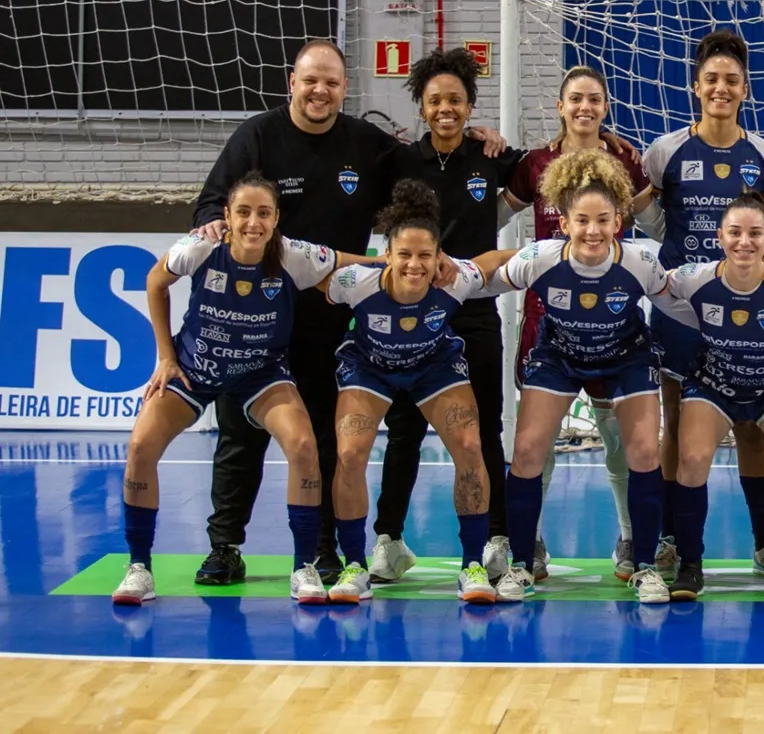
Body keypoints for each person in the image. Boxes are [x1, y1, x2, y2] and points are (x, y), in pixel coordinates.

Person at [190, 39, 503, 586]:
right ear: (292, 83)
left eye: (331, 83)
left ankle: (324, 548)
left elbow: (429, 161)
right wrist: (212, 228)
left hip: (330, 315)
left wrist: (470, 137)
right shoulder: (256, 137)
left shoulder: (366, 143)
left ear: (344, 88)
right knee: (242, 433)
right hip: (258, 314)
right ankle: (225, 546)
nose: (320, 91)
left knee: (328, 436)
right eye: (311, 81)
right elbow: (211, 205)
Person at [113, 172, 363, 605]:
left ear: (276, 218)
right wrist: (166, 357)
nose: (253, 222)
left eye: (264, 213)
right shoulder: (201, 247)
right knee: (140, 447)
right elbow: (155, 281)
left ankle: (304, 566)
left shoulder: (292, 255)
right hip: (195, 370)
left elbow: (347, 260)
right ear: (226, 216)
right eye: (243, 212)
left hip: (260, 374)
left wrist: (402, 259)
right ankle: (139, 568)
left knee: (304, 446)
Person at [369, 48, 524, 587]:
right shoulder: (400, 162)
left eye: (455, 100)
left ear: (470, 105)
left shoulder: (491, 157)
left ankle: (496, 537)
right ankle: (388, 540)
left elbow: (550, 164)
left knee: (485, 429)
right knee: (405, 428)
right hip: (412, 316)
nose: (445, 109)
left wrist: (611, 141)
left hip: (473, 312)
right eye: (435, 100)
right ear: (422, 106)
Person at [638, 30, 764, 582]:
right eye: (711, 80)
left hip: (747, 308)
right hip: (681, 310)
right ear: (696, 87)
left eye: (731, 80)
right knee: (677, 422)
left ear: (745, 89)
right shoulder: (665, 151)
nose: (721, 88)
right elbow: (642, 211)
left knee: (750, 423)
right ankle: (672, 539)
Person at [491, 150, 670, 604]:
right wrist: (439, 281)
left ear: (619, 222)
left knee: (644, 451)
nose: (593, 230)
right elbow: (482, 282)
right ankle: (521, 563)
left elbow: (681, 302)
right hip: (560, 356)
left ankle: (645, 566)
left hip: (626, 357)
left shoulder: (640, 262)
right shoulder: (540, 257)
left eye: (603, 220)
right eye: (583, 221)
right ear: (564, 223)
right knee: (527, 450)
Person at [322, 181, 514, 604]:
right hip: (370, 366)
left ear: (438, 256)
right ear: (387, 255)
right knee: (350, 454)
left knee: (470, 446)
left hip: (433, 366)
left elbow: (497, 260)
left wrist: (563, 248)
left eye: (425, 255)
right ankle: (354, 566)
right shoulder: (355, 282)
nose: (415, 264)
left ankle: (472, 566)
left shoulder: (454, 279)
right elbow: (306, 272)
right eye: (404, 254)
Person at [503, 65, 652, 581]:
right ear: (561, 106)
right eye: (575, 98)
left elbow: (657, 221)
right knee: (536, 442)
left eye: (594, 99)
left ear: (605, 107)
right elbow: (493, 215)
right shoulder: (534, 163)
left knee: (619, 441)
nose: (584, 107)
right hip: (548, 324)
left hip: (613, 323)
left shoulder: (626, 161)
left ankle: (632, 538)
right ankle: (530, 540)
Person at [653, 195, 764, 601]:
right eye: (735, 233)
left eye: (754, 233)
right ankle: (690, 565)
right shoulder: (694, 278)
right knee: (692, 458)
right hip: (714, 384)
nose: (744, 242)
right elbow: (652, 285)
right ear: (720, 237)